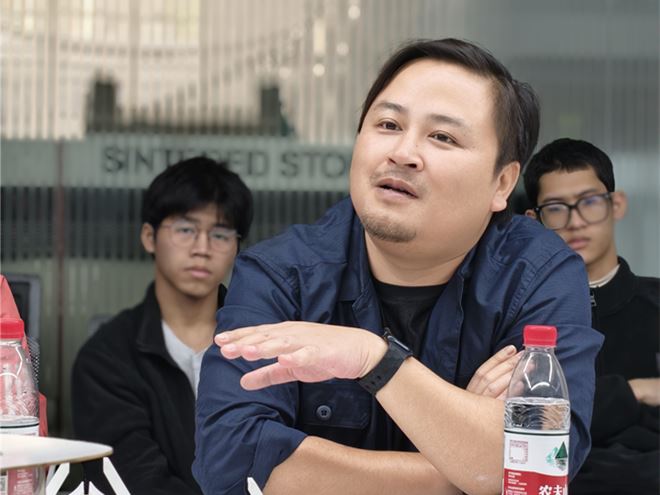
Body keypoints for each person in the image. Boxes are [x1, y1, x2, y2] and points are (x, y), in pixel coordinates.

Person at [194, 39, 603, 495]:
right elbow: (230, 463)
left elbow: (544, 463)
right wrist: (466, 464)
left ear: (502, 183)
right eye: (388, 124)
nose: (403, 152)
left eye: (442, 137)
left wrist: (376, 361)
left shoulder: (537, 274)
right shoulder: (281, 274)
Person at [72, 157, 253, 494]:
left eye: (220, 234)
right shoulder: (106, 358)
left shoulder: (264, 346)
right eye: (185, 230)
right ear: (149, 237)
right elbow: (131, 478)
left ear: (237, 247)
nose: (202, 248)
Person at [523, 137, 659, 495]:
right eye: (556, 208)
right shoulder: (522, 319)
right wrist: (635, 391)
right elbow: (528, 430)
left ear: (617, 204)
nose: (576, 222)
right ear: (534, 220)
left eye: (590, 202)